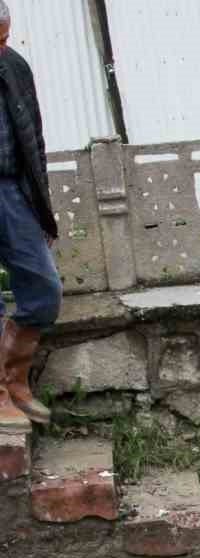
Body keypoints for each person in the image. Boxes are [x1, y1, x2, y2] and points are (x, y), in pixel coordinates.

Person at [0, 1, 62, 430]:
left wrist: (42, 209)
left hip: (11, 191)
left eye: (4, 39)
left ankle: (14, 379)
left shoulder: (14, 66)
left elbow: (34, 141)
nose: (2, 48)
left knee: (44, 289)